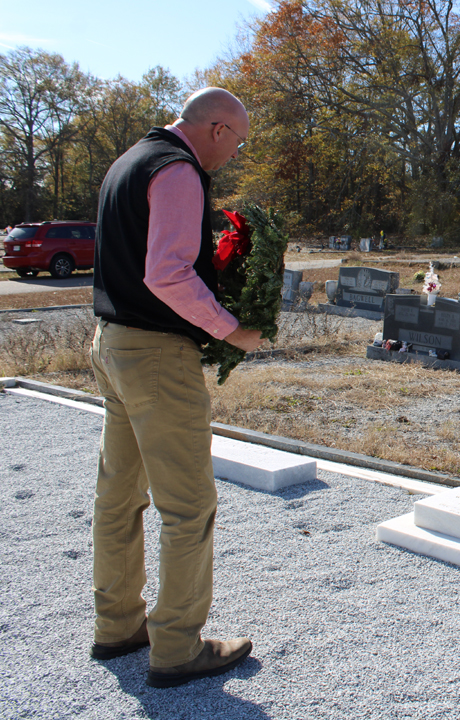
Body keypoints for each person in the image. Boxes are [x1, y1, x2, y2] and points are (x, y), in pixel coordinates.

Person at [88, 87, 264, 688]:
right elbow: (167, 272)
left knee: (119, 497)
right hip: (158, 354)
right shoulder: (178, 169)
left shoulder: (130, 160)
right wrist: (231, 329)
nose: (234, 154)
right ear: (216, 128)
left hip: (112, 343)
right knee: (188, 507)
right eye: (236, 142)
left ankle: (117, 626)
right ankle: (177, 648)